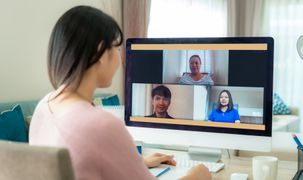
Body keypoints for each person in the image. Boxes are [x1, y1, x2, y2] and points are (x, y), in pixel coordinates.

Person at [28, 6, 211, 180]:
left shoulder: (44, 106)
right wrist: (198, 175)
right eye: (116, 48)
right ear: (99, 53)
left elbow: (80, 164)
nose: (120, 57)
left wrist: (137, 163)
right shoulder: (102, 125)